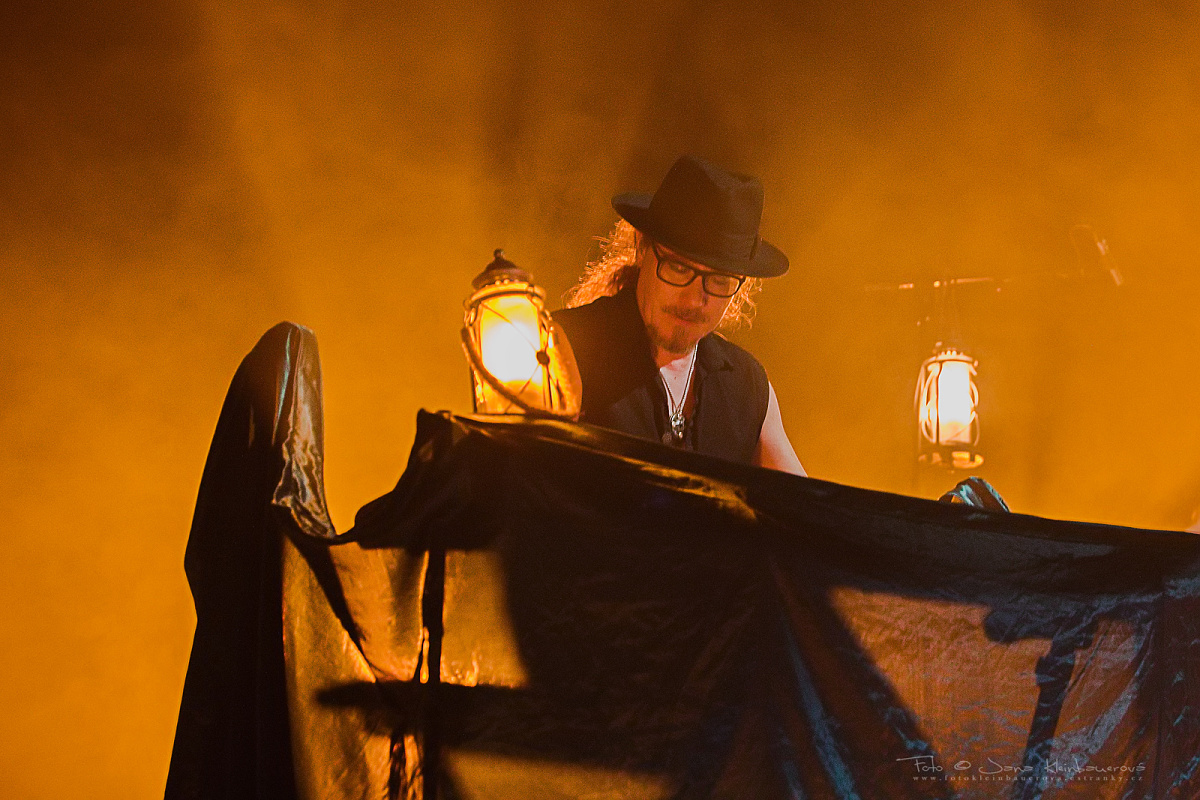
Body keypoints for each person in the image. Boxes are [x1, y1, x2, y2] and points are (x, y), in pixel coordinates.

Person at [553, 154, 805, 475]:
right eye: (679, 268)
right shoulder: (563, 348)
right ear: (642, 247)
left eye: (719, 280)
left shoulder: (747, 385)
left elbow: (801, 501)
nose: (694, 299)